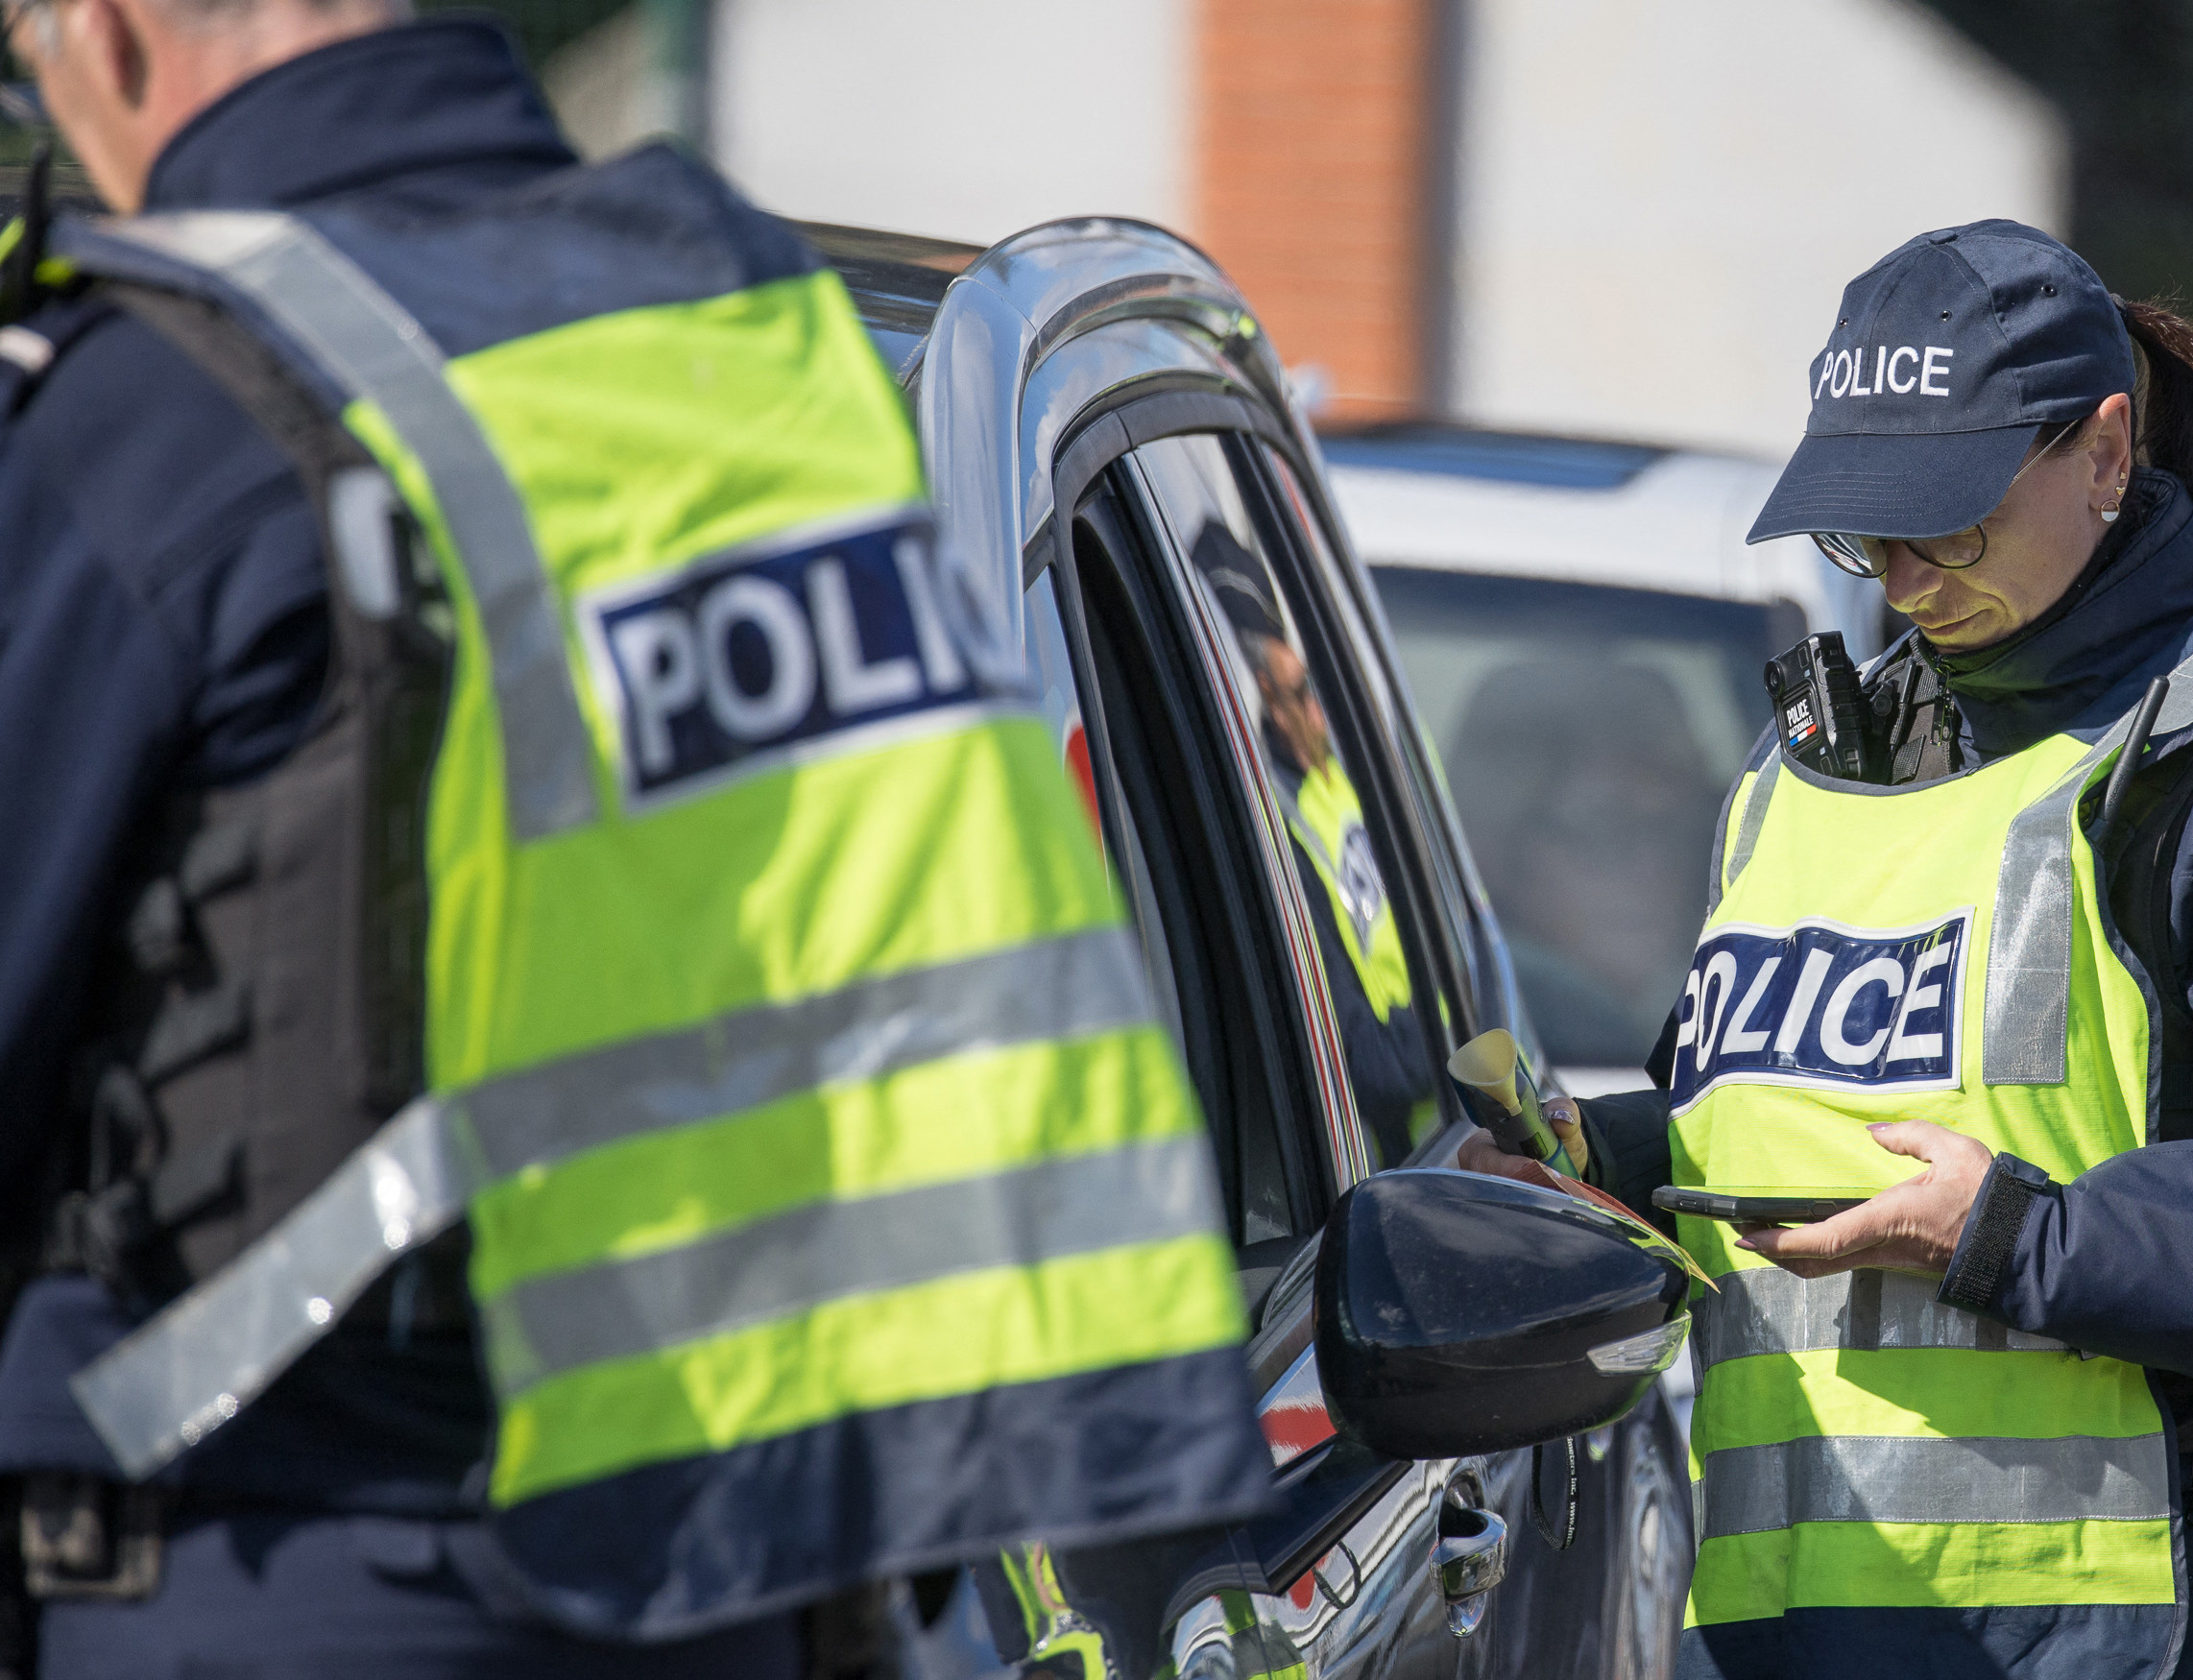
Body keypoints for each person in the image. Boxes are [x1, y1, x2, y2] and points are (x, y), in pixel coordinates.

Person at [0, 5, 1263, 1675]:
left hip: (303, 1567)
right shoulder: (756, 344)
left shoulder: (162, 413)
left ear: (112, 30)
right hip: (773, 1573)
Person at [1469, 219, 2193, 1680]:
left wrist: (2020, 1238)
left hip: (2147, 1635)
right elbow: (1801, 1116)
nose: (1902, 578)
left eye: (1949, 524)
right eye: (1863, 530)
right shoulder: (1819, 766)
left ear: (2107, 453)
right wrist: (1602, 1157)